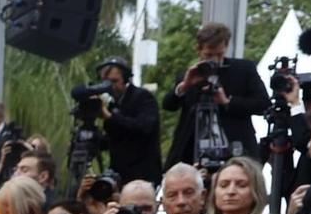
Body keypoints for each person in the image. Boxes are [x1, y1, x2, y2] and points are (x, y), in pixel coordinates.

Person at [162, 21, 269, 169]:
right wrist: (184, 86)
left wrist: (227, 102)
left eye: (219, 54)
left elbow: (263, 104)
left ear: (226, 47)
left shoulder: (243, 70)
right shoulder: (191, 74)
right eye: (209, 55)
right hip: (193, 153)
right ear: (199, 50)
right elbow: (168, 105)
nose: (215, 60)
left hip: (235, 150)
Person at [97, 56, 163, 186]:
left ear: (125, 79)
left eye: (114, 81)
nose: (111, 87)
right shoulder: (111, 104)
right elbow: (114, 139)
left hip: (142, 176)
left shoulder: (142, 97)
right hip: (119, 176)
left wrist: (110, 117)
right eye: (105, 82)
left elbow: (144, 127)